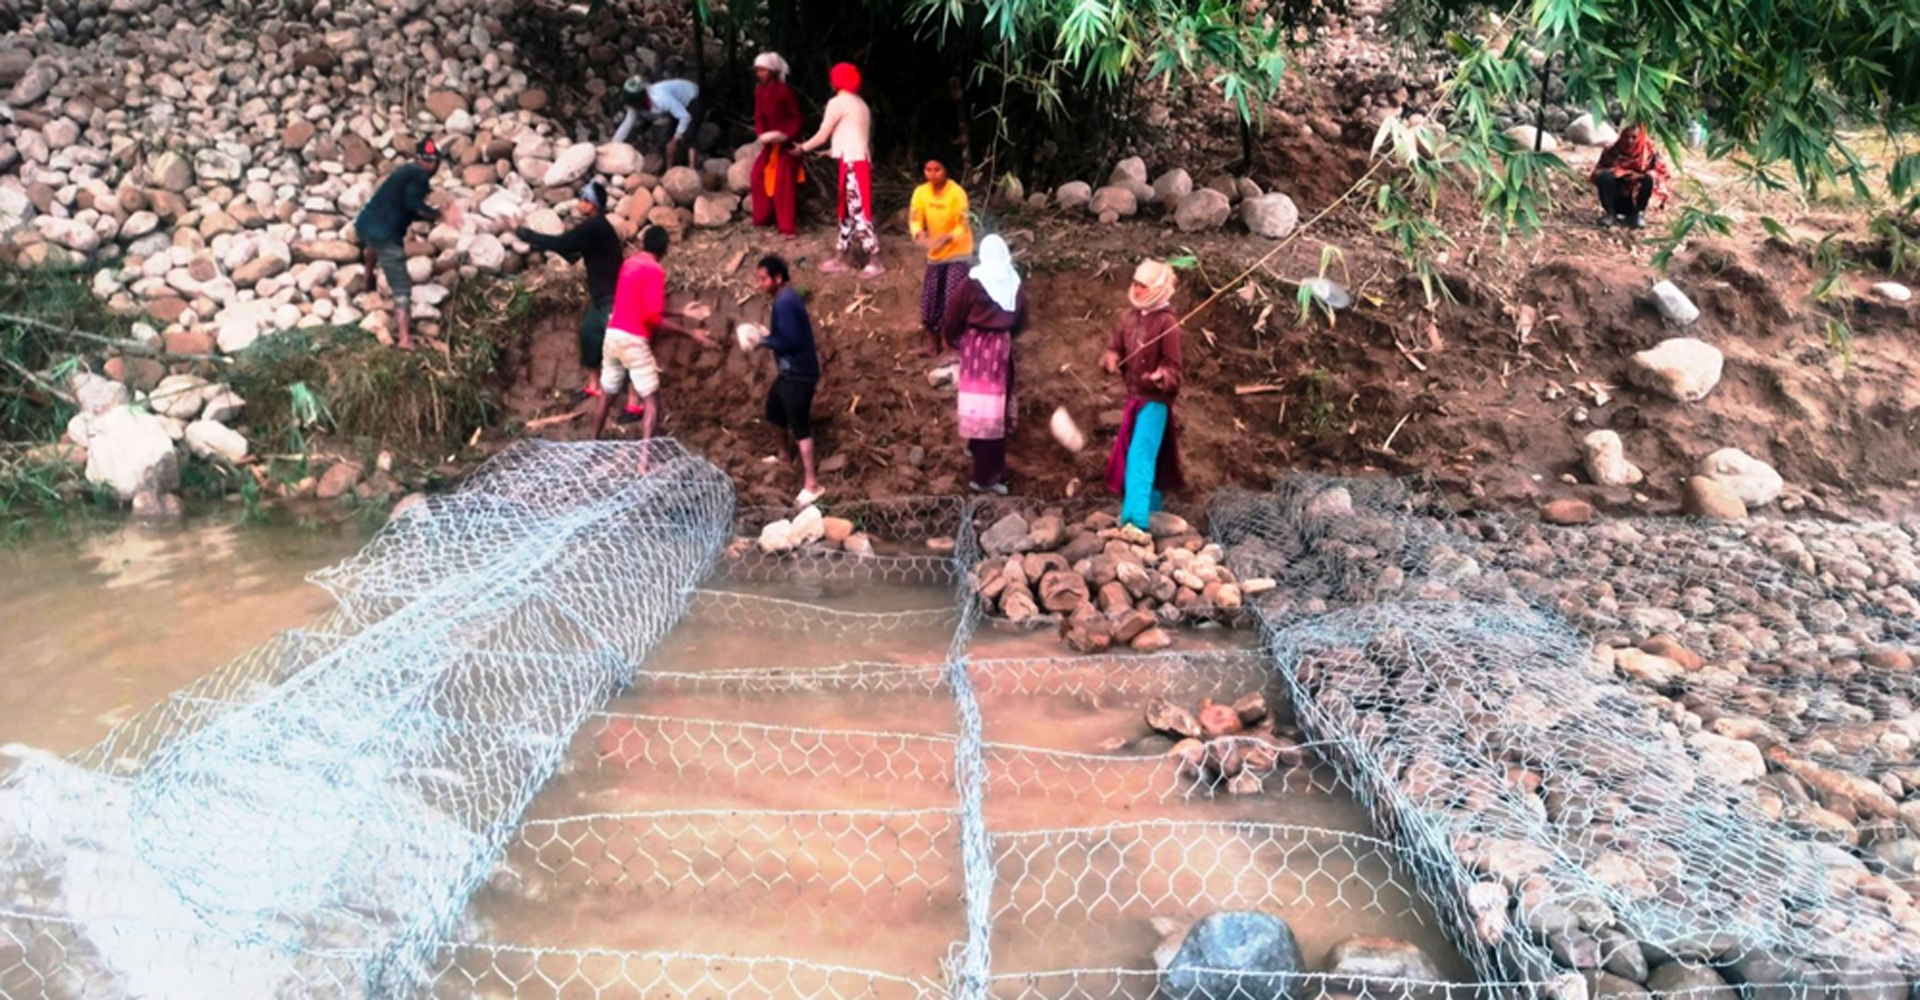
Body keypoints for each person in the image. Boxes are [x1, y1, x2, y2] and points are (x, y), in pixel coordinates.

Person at [592, 226, 713, 448]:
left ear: (643, 244)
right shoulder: (655, 271)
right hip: (633, 342)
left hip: (613, 335)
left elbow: (643, 307)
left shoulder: (630, 263)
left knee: (606, 394)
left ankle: (591, 445)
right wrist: (690, 334)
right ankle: (645, 459)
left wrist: (682, 312)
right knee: (651, 400)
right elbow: (652, 318)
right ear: (665, 249)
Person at [517, 180, 624, 401]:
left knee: (621, 346)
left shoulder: (594, 227)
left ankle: (633, 399)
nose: (579, 203)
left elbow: (562, 244)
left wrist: (525, 234)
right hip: (601, 298)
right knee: (588, 334)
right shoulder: (596, 227)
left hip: (612, 298)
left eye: (583, 199)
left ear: (592, 205)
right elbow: (573, 252)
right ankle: (594, 385)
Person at [354, 138, 461, 350]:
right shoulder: (420, 177)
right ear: (432, 162)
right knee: (402, 288)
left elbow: (408, 207)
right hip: (386, 234)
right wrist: (442, 216)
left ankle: (367, 280)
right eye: (434, 162)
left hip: (364, 224)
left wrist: (432, 214)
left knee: (372, 244)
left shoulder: (405, 172)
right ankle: (405, 339)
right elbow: (414, 205)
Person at [1101, 258, 1184, 531]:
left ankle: (1135, 522)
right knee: (1143, 454)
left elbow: (1174, 367)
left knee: (1140, 455)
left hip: (1155, 402)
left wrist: (1162, 376)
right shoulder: (1129, 317)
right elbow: (1114, 346)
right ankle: (1151, 510)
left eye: (1143, 286)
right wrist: (1111, 358)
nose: (1136, 290)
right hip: (1134, 398)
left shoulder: (1168, 323)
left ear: (1157, 289)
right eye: (1135, 284)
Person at [940, 235, 1026, 495]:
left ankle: (977, 449)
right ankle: (985, 476)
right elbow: (1020, 320)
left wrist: (950, 338)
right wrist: (1006, 335)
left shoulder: (973, 283)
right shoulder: (1013, 284)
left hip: (976, 347)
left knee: (981, 404)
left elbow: (953, 315)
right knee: (994, 411)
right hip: (999, 349)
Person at [753, 255, 825, 505]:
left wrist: (762, 340)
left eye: (763, 279)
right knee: (774, 409)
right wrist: (768, 336)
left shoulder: (784, 302)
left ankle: (812, 485)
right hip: (789, 373)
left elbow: (790, 341)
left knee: (800, 426)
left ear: (777, 278)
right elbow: (786, 335)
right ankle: (784, 455)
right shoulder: (785, 299)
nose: (760, 284)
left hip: (800, 374)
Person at [798, 62, 881, 278]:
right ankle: (841, 257)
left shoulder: (837, 103)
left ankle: (875, 260)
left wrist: (802, 148)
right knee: (847, 211)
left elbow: (822, 134)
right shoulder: (861, 104)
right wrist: (830, 152)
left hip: (852, 163)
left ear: (836, 81)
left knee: (857, 210)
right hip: (857, 160)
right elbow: (852, 136)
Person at [910, 158, 974, 357]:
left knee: (952, 301)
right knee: (931, 300)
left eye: (937, 169)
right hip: (935, 255)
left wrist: (946, 238)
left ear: (946, 169)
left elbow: (962, 225)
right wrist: (920, 235)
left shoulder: (957, 193)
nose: (932, 174)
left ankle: (950, 347)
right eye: (927, 169)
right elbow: (915, 219)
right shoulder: (921, 192)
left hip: (958, 253)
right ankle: (932, 345)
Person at [750, 52, 803, 238]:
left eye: (763, 70)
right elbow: (759, 117)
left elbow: (797, 118)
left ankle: (787, 226)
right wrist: (761, 134)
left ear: (772, 71)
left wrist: (786, 136)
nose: (760, 74)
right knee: (757, 174)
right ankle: (763, 217)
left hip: (788, 144)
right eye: (758, 70)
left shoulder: (784, 91)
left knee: (783, 179)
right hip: (770, 144)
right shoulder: (759, 91)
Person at [614, 74, 703, 170]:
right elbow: (626, 125)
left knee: (688, 135)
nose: (633, 107)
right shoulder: (635, 106)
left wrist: (675, 140)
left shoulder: (660, 98)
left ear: (641, 100)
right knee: (666, 143)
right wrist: (613, 144)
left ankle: (692, 168)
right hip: (676, 106)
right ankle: (669, 170)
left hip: (691, 97)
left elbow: (685, 117)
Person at [1591, 123, 1670, 229]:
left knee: (1648, 179)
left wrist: (1638, 176)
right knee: (1604, 177)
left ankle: (1636, 214)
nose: (1629, 141)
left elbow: (1662, 173)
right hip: (1616, 195)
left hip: (1635, 197)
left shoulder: (1648, 151)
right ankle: (1610, 213)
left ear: (1640, 137)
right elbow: (1596, 173)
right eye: (1626, 137)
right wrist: (1616, 173)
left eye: (1634, 137)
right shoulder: (1611, 150)